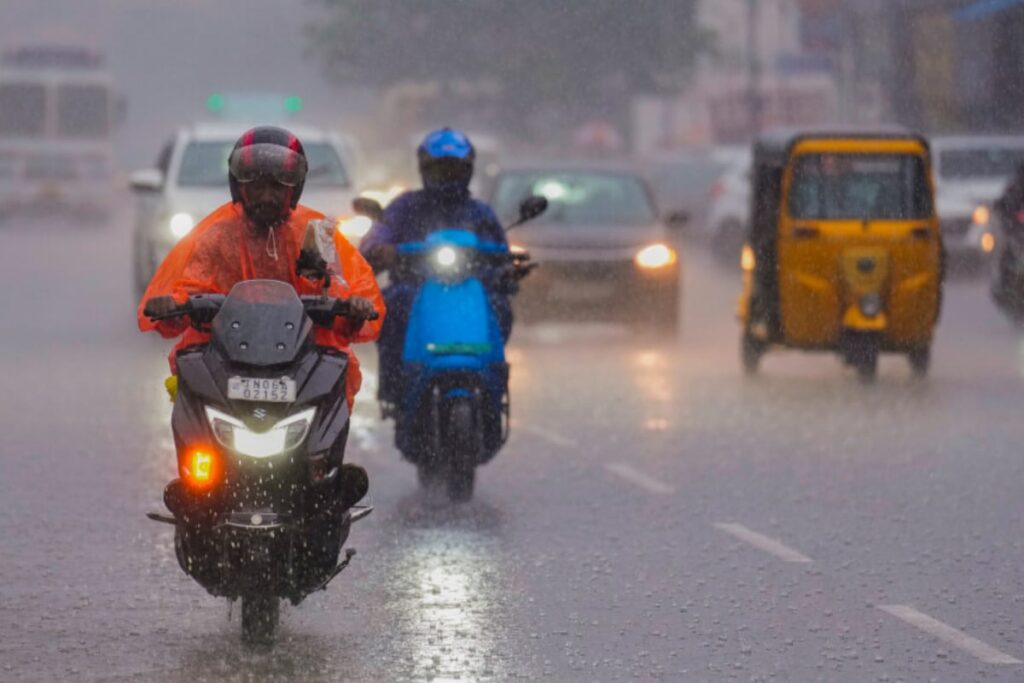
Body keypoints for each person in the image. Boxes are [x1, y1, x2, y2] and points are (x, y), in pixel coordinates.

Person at [137, 125, 384, 507]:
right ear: (239, 187)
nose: (267, 196)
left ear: (294, 189)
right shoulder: (217, 236)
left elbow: (344, 290)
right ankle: (198, 482)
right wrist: (176, 302)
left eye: (277, 187)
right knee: (190, 375)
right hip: (228, 354)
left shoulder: (317, 235)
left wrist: (350, 306)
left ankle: (324, 475)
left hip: (299, 356)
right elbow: (189, 285)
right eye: (257, 186)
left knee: (337, 370)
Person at [359, 127, 516, 408]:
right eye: (440, 169)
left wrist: (509, 269)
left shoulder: (480, 213)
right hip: (414, 289)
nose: (448, 176)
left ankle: (493, 385)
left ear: (467, 170)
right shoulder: (405, 207)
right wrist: (379, 250)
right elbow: (378, 237)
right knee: (391, 306)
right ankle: (397, 390)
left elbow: (502, 255)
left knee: (500, 307)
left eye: (454, 169)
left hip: (472, 295)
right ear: (424, 169)